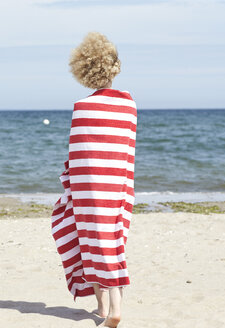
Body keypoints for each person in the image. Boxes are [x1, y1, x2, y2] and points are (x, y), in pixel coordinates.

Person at [51, 32, 137, 328]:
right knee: (113, 240)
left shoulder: (82, 107)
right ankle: (108, 306)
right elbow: (127, 151)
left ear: (84, 70)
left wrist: (69, 182)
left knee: (89, 239)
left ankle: (109, 307)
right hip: (118, 184)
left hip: (87, 186)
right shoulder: (129, 105)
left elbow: (77, 153)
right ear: (115, 66)